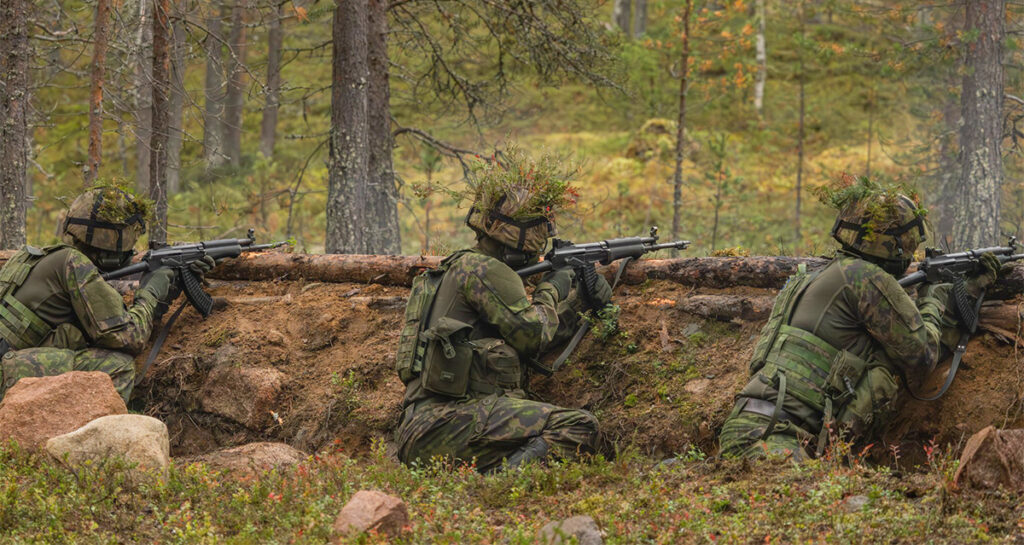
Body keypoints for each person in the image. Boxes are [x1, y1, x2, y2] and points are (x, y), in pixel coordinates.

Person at [718, 182, 999, 460]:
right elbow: (922, 356)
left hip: (747, 426)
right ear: (897, 243)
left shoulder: (815, 276)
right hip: (775, 438)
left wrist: (964, 292)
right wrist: (935, 298)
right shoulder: (863, 278)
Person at [393, 159, 611, 473]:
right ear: (518, 233)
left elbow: (524, 335)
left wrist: (571, 302)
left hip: (425, 428)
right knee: (580, 426)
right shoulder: (484, 270)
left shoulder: (457, 268)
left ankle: (485, 479)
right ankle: (493, 488)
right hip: (447, 423)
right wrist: (556, 289)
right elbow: (534, 335)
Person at [0, 186, 214, 402]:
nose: (130, 253)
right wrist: (150, 291)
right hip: (6, 371)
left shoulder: (42, 257)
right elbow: (129, 337)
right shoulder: (75, 265)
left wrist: (170, 283)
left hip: (10, 361)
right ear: (113, 245)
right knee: (117, 366)